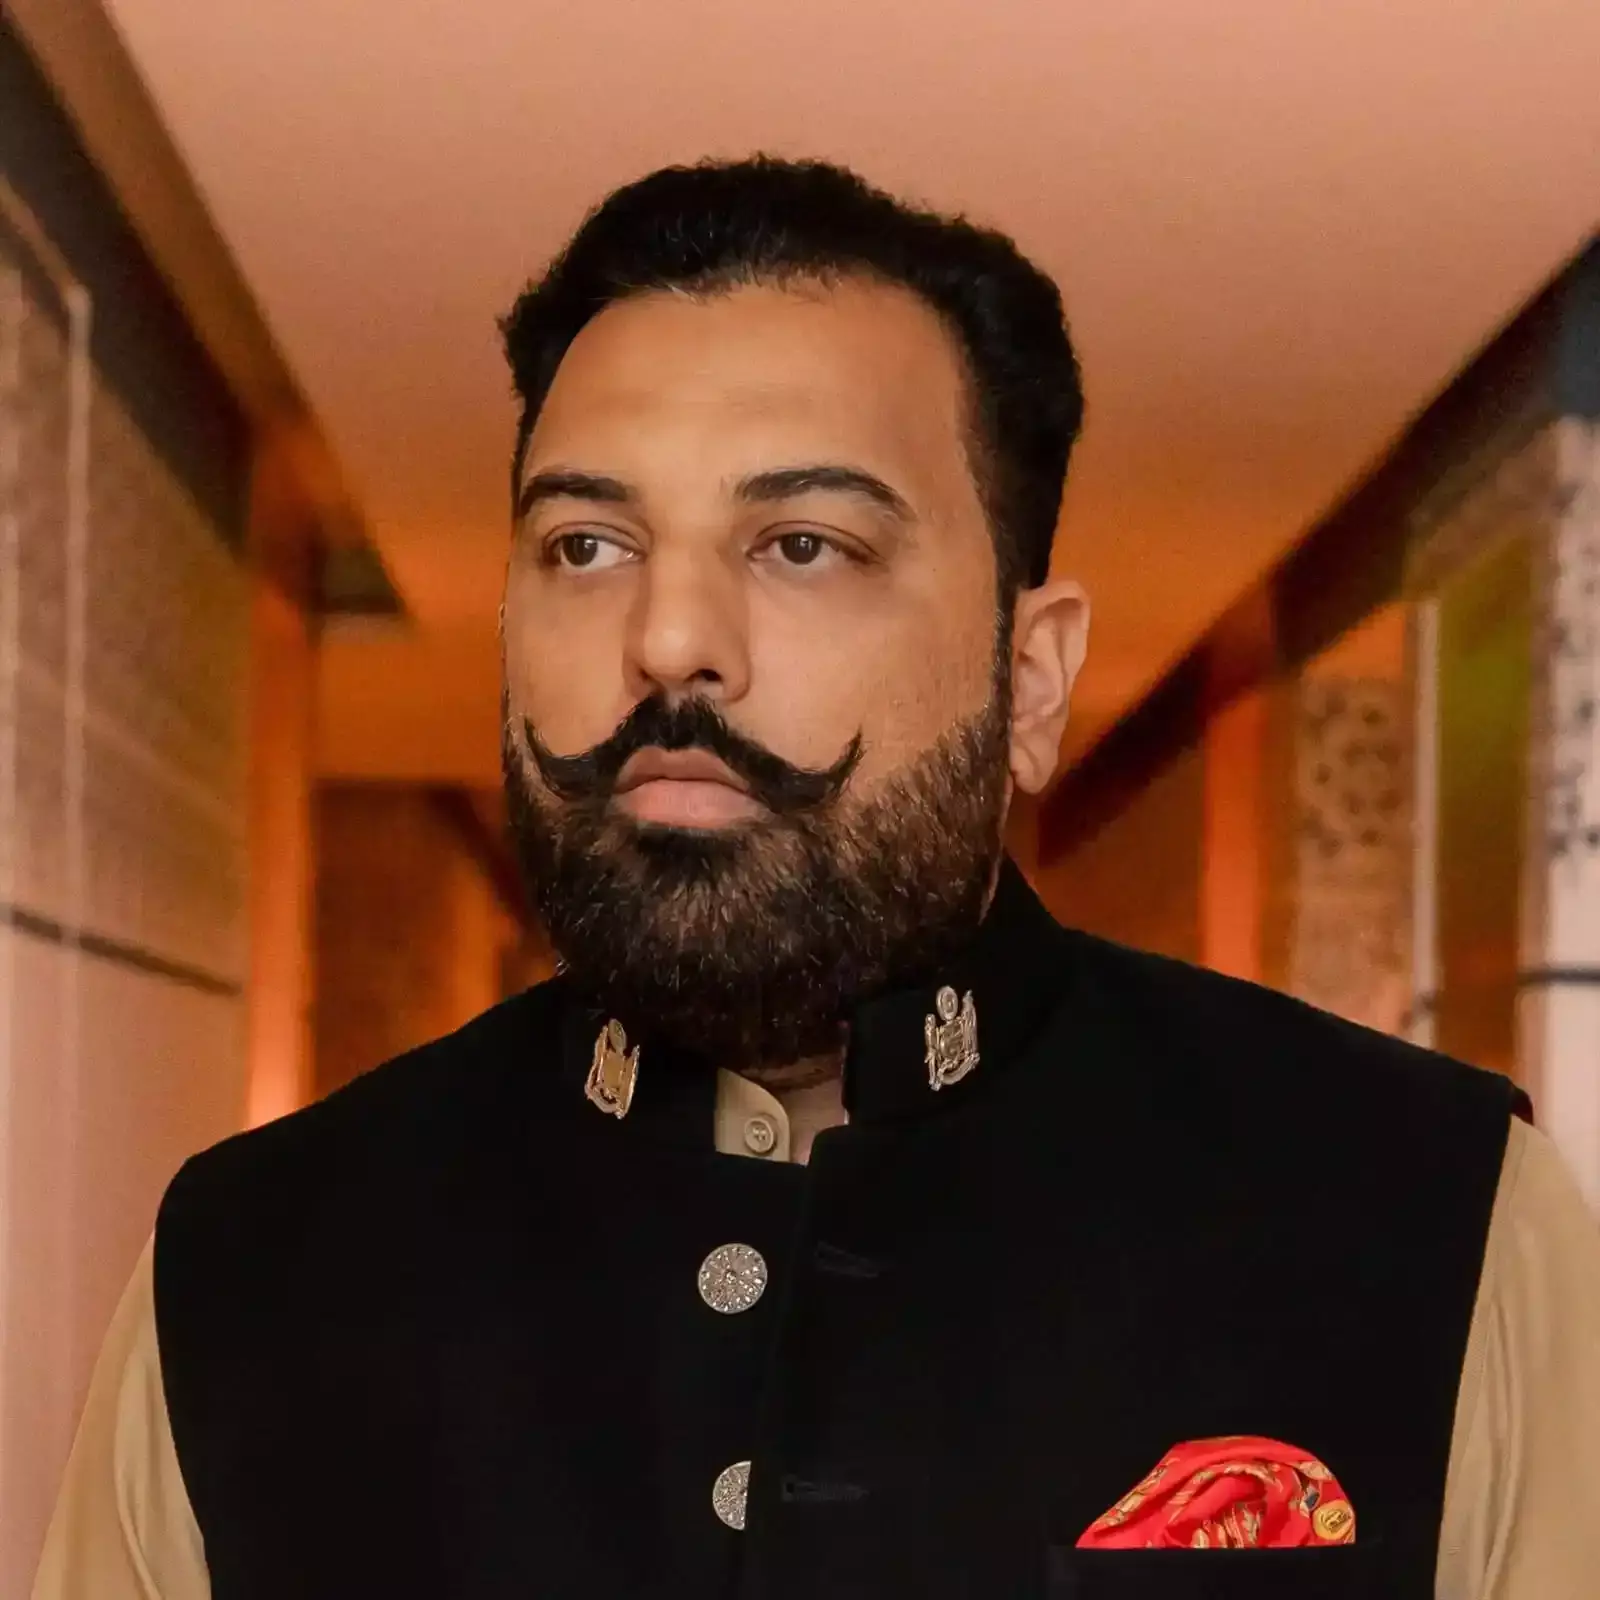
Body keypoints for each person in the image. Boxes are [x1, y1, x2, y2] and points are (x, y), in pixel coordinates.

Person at [34, 157, 1600, 1600]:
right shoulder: (243, 1275)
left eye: (803, 544)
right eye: (586, 545)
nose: (668, 640)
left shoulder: (1439, 1224)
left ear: (1032, 678)